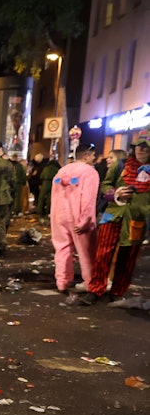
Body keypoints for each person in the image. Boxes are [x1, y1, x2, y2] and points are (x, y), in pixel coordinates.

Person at [81, 128, 150, 305]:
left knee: (128, 257)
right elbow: (105, 186)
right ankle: (95, 290)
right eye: (138, 146)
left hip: (136, 219)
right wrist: (116, 194)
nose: (141, 150)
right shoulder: (121, 165)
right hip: (113, 216)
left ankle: (118, 291)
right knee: (103, 254)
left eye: (146, 147)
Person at [49, 144, 99, 295]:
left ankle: (62, 282)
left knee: (62, 249)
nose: (94, 159)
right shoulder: (90, 172)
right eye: (92, 156)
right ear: (86, 156)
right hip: (78, 216)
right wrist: (86, 219)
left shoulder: (61, 171)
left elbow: (54, 195)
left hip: (59, 215)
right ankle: (91, 284)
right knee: (86, 252)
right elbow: (88, 199)